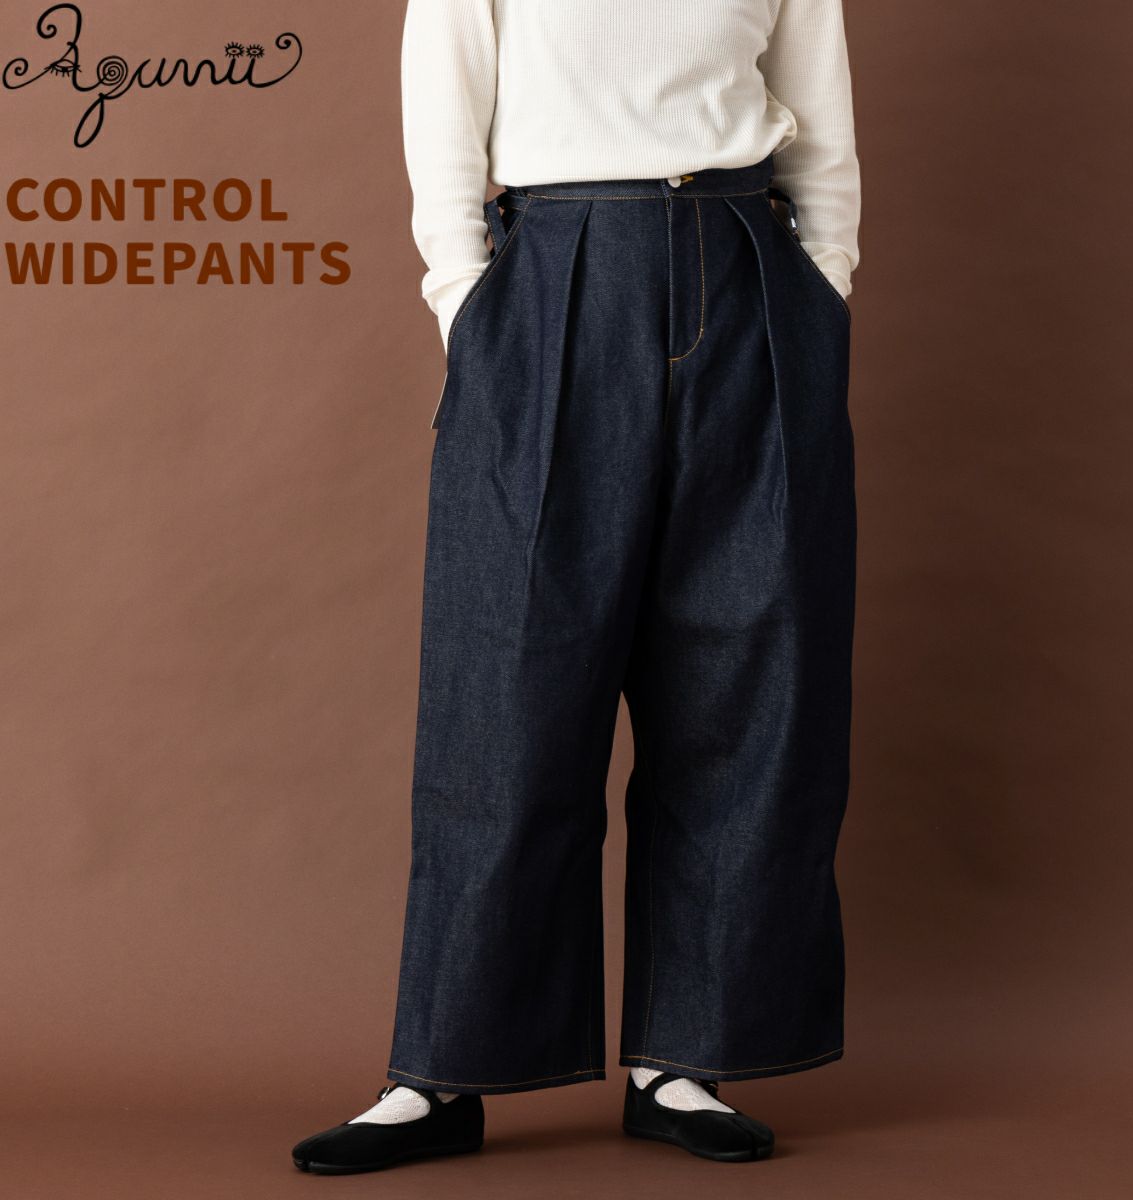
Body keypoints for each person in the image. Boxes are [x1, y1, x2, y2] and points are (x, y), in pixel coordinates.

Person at [291, 0, 861, 1173]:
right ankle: (442, 1072)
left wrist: (822, 294)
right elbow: (444, 113)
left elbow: (822, 129)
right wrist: (471, 305)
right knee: (506, 690)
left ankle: (684, 1059)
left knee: (747, 677)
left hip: (746, 266)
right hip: (555, 273)